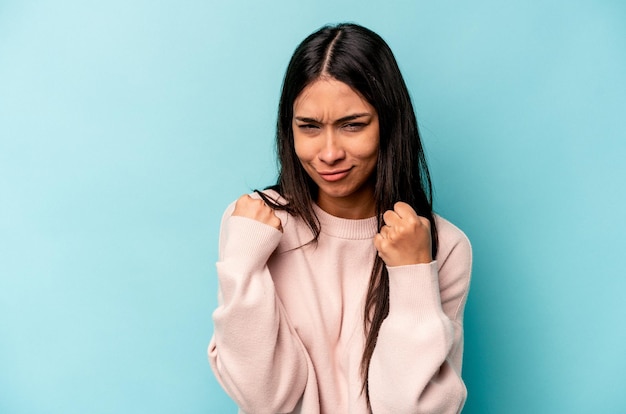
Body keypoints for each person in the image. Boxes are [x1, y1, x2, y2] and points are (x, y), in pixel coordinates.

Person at [208, 23, 472, 414]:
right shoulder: (254, 227)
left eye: (353, 125)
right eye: (309, 127)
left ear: (389, 124)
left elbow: (410, 409)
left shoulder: (441, 247)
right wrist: (245, 265)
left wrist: (413, 275)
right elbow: (265, 399)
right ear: (289, 128)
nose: (329, 153)